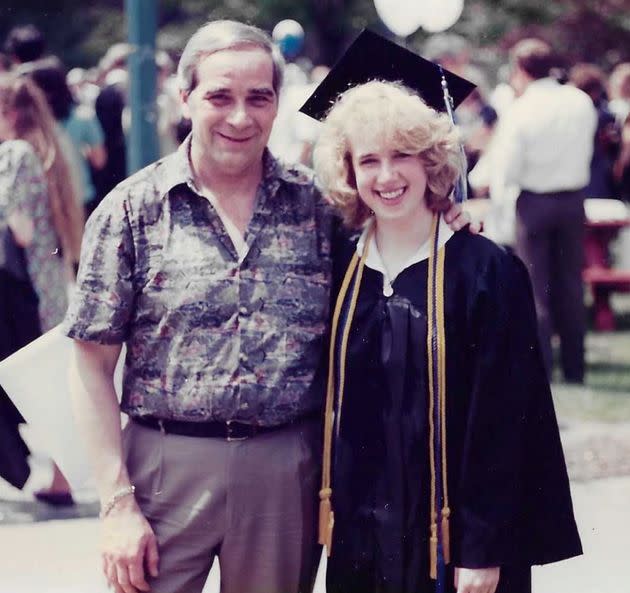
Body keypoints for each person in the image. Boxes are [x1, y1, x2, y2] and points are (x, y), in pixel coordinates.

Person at [62, 20, 473, 593]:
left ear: (278, 102)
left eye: (259, 97)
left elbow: (398, 235)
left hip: (286, 470)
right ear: (184, 98)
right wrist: (115, 505)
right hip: (162, 467)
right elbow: (90, 364)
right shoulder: (132, 210)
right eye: (219, 97)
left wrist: (447, 217)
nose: (240, 117)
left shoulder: (322, 206)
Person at [307, 33, 582, 593]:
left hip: (456, 545)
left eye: (403, 155)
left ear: (432, 159)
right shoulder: (340, 268)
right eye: (369, 160)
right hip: (363, 540)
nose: (387, 177)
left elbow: (505, 423)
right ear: (349, 169)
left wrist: (484, 548)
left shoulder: (484, 271)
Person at [489, 39, 597, 383]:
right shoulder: (580, 101)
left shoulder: (522, 109)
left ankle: (541, 367)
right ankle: (575, 366)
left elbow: (507, 167)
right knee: (570, 285)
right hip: (573, 200)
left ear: (521, 69)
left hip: (534, 201)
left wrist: (498, 199)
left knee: (536, 289)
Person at [0, 72, 84, 503]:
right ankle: (61, 477)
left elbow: (21, 230)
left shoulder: (14, 153)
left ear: (8, 113)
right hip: (45, 284)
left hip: (21, 289)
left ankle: (58, 477)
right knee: (47, 384)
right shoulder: (45, 151)